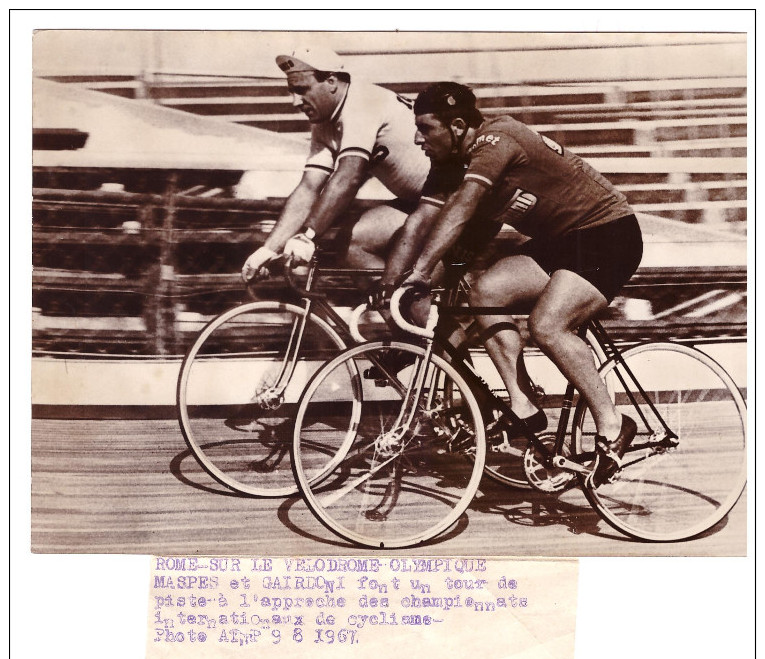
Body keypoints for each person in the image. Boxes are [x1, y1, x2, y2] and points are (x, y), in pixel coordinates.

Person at [394, 82, 643, 488]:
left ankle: (614, 426)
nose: (418, 139)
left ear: (458, 126)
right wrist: (418, 285)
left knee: (548, 325)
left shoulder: (496, 140)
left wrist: (420, 272)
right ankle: (523, 405)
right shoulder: (453, 159)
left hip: (608, 234)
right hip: (563, 241)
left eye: (425, 128)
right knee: (485, 291)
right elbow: (462, 236)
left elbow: (460, 210)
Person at [241, 46, 430, 282]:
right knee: (348, 244)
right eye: (291, 92)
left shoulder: (360, 103)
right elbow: (309, 188)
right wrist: (268, 249)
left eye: (301, 90)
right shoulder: (325, 122)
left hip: (452, 199)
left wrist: (307, 236)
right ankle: (400, 312)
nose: (295, 102)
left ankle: (415, 313)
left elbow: (348, 177)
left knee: (366, 251)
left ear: (331, 81)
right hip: (419, 202)